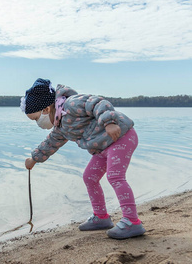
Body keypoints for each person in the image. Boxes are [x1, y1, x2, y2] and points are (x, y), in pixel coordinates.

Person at [21, 78, 146, 239]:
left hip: (120, 137)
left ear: (45, 109)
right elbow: (51, 143)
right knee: (89, 177)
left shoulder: (72, 104)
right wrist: (34, 158)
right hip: (101, 148)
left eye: (35, 119)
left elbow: (98, 103)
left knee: (115, 176)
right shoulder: (61, 127)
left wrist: (109, 122)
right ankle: (101, 217)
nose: (37, 123)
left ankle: (132, 222)